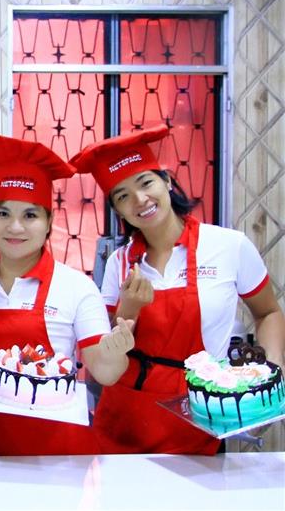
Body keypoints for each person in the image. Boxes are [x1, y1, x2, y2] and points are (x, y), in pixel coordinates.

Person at [70, 125, 285, 454]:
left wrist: (269, 375)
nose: (139, 200)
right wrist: (130, 308)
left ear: (167, 182)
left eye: (146, 183)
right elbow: (105, 359)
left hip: (202, 413)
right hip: (125, 420)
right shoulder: (118, 263)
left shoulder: (229, 246)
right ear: (117, 210)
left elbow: (268, 312)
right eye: (123, 196)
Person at [0, 135, 135, 456]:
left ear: (49, 223)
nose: (15, 227)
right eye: (2, 214)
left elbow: (105, 373)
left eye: (30, 215)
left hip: (59, 456)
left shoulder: (76, 287)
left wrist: (116, 351)